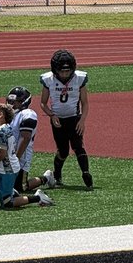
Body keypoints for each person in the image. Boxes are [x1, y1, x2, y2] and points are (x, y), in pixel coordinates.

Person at [0, 104, 54, 210]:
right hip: (0, 166)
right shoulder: (3, 128)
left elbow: (2, 154)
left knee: (7, 203)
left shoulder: (2, 131)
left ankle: (38, 197)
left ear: (1, 115)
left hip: (7, 170)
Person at [40, 49, 93, 190]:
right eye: (62, 71)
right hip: (58, 120)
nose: (64, 74)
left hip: (74, 118)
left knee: (78, 146)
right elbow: (43, 103)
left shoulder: (79, 78)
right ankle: (57, 174)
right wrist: (52, 115)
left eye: (67, 71)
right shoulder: (48, 80)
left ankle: (86, 173)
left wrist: (82, 120)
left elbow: (85, 102)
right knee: (63, 151)